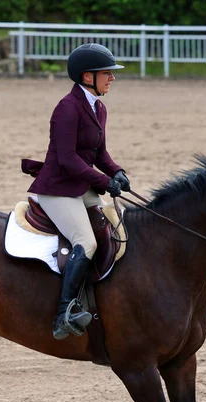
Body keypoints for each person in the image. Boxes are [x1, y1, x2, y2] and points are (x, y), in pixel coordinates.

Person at [23, 43, 131, 340]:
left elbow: (100, 154)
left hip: (79, 186)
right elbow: (68, 159)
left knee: (114, 229)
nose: (112, 78)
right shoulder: (67, 108)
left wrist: (116, 172)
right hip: (58, 188)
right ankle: (64, 312)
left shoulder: (99, 107)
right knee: (86, 241)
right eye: (107, 73)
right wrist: (103, 182)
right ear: (87, 77)